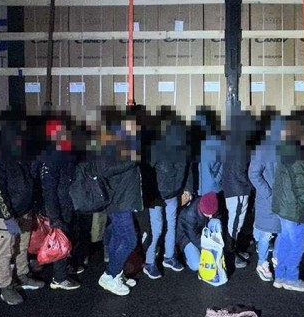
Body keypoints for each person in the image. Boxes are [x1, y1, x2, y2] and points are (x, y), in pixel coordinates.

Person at [0, 118, 45, 305]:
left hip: (24, 210)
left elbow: (30, 182)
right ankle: (5, 285)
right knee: (4, 250)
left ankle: (23, 275)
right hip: (7, 215)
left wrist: (32, 207)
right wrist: (7, 216)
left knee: (22, 245)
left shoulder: (22, 155)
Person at [91, 113, 144, 296]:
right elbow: (104, 169)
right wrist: (131, 160)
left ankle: (116, 272)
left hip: (123, 200)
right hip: (117, 201)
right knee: (129, 239)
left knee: (118, 237)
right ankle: (110, 275)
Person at [271, 119, 304, 292]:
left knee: (284, 240)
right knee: (297, 244)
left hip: (283, 208)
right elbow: (303, 189)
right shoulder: (298, 157)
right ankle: (291, 278)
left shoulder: (285, 151)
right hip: (294, 210)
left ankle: (279, 276)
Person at [142, 114, 193, 279]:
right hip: (157, 196)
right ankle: (149, 262)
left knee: (171, 226)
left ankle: (169, 257)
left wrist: (186, 189)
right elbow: (147, 172)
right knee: (157, 230)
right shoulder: (156, 148)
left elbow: (187, 170)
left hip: (172, 194)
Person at [38, 119, 81, 290]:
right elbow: (48, 188)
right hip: (59, 205)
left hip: (66, 203)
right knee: (59, 239)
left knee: (66, 237)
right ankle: (59, 277)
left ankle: (64, 268)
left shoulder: (63, 151)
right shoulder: (52, 155)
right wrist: (54, 216)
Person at [248, 115, 286, 281]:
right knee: (265, 234)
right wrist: (269, 194)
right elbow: (253, 173)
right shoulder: (263, 149)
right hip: (268, 201)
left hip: (282, 201)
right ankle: (262, 263)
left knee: (281, 231)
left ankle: (276, 258)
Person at [221, 110, 255, 269]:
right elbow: (242, 171)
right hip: (238, 190)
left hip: (232, 188)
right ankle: (230, 254)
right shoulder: (241, 143)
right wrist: (251, 186)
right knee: (234, 224)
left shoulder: (231, 140)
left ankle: (234, 249)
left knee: (234, 223)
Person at [176, 192, 221, 272]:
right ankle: (187, 257)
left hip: (202, 232)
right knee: (196, 265)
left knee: (216, 222)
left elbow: (218, 218)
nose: (211, 216)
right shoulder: (189, 215)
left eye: (212, 213)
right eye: (208, 213)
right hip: (187, 238)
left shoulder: (212, 204)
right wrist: (207, 250)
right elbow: (194, 237)